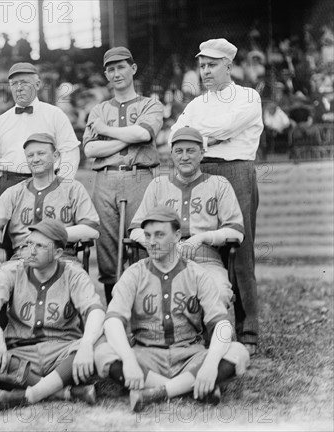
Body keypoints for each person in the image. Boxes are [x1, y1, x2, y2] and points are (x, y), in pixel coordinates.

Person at [0, 219, 105, 410]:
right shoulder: (12, 270)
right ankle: (64, 391)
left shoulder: (74, 273)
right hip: (22, 353)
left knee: (99, 343)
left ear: (58, 253)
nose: (30, 251)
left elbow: (94, 310)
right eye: (28, 244)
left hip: (62, 350)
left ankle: (31, 394)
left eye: (39, 246)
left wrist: (86, 345)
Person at [94, 206, 250, 412]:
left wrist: (211, 364)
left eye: (159, 235)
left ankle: (157, 392)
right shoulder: (134, 273)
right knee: (103, 352)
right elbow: (113, 321)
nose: (151, 241)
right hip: (146, 355)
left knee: (238, 352)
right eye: (148, 235)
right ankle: (193, 387)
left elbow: (221, 323)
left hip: (190, 355)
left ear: (177, 235)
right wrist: (130, 360)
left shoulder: (197, 274)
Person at [170, 38, 264, 354]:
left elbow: (226, 127)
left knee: (240, 245)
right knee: (207, 245)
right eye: (202, 65)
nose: (205, 71)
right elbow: (174, 135)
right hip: (203, 173)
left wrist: (199, 138)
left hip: (237, 170)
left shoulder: (248, 96)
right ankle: (211, 326)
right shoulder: (196, 104)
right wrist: (206, 141)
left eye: (211, 65)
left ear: (228, 65)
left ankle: (247, 329)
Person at [129, 126, 244, 327]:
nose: (184, 157)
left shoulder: (219, 184)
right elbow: (136, 229)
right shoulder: (158, 185)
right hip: (161, 261)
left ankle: (209, 344)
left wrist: (201, 238)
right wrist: (163, 244)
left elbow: (236, 232)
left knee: (219, 291)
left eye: (190, 151)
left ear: (202, 153)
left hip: (206, 259)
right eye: (179, 151)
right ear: (172, 155)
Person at [82, 46, 164, 303]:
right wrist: (126, 140)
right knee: (107, 246)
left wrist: (107, 130)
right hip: (105, 179)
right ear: (106, 74)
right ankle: (113, 312)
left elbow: (144, 134)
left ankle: (144, 311)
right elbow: (90, 148)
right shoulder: (99, 109)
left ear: (133, 69)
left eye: (121, 67)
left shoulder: (150, 103)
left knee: (142, 239)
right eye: (111, 69)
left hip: (139, 176)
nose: (117, 73)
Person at [0, 133, 99, 274]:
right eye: (30, 155)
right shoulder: (15, 191)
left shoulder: (73, 188)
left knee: (77, 279)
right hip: (22, 258)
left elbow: (92, 230)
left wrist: (49, 235)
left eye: (41, 153)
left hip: (62, 257)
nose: (35, 159)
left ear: (55, 156)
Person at [0, 62, 81, 211]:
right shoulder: (1, 122)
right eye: (14, 84)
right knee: (10, 234)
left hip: (48, 185)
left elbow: (70, 154)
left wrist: (61, 190)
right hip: (10, 187)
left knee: (47, 232)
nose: (19, 88)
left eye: (24, 82)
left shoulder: (55, 115)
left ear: (38, 84)